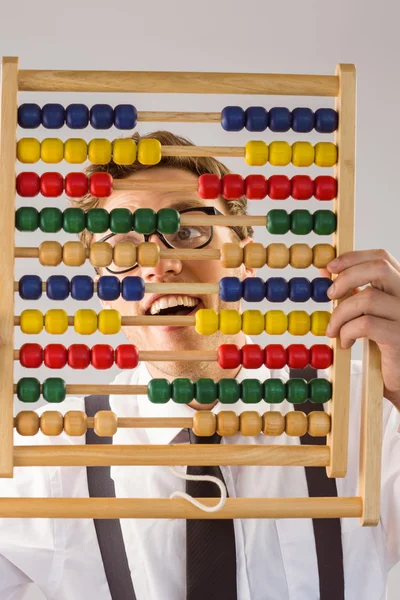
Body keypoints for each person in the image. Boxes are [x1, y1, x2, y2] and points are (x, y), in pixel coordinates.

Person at [1, 130, 400, 600]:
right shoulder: (42, 459)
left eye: (187, 232)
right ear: (104, 292)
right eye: (124, 249)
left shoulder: (372, 413)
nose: (159, 264)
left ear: (247, 259)